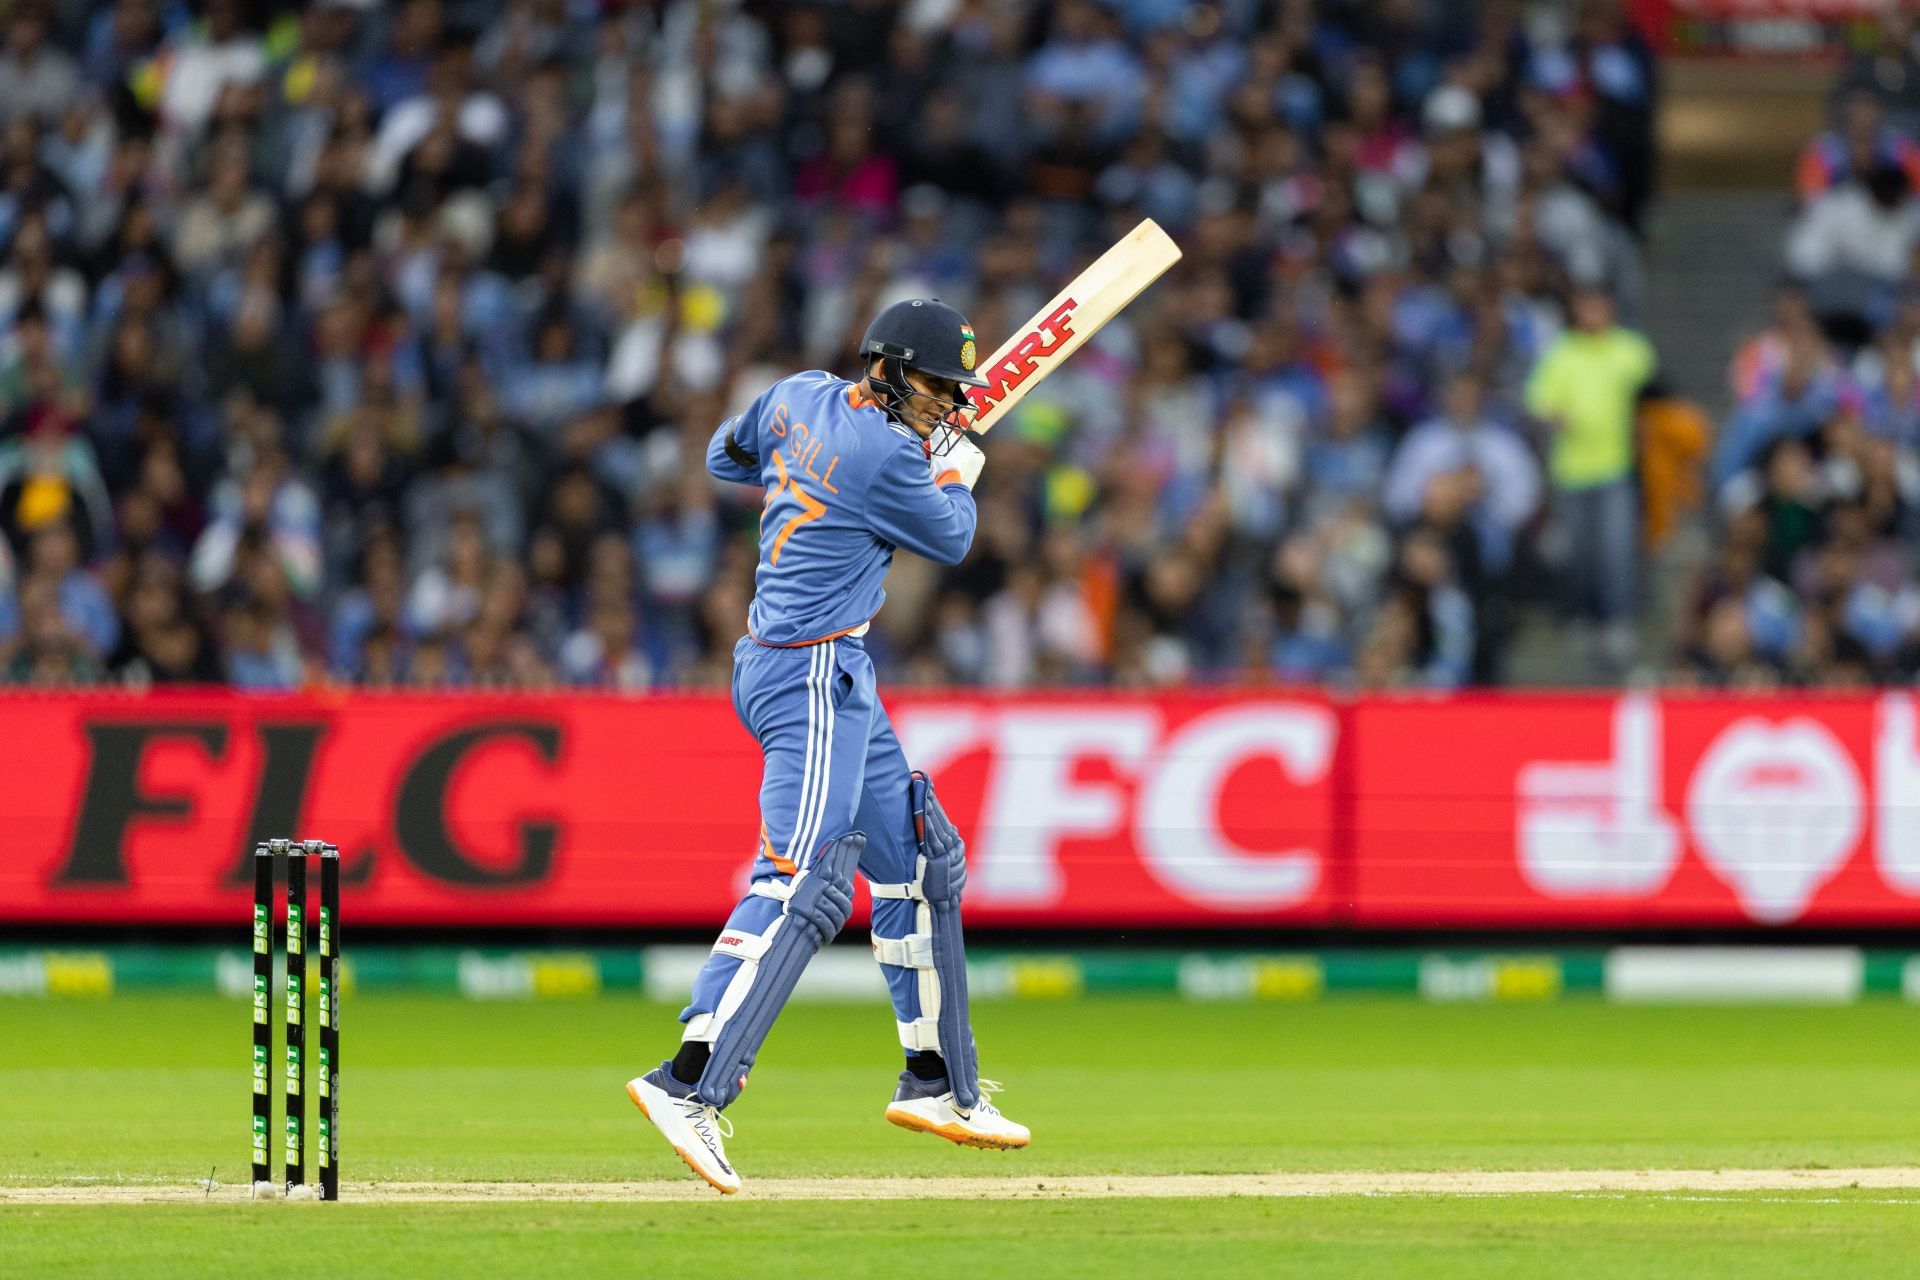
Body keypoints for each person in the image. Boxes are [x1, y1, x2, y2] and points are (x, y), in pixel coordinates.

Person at [626, 298, 1029, 1194]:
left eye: (954, 392)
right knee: (804, 878)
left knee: (920, 858)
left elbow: (723, 454)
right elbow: (954, 538)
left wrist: (814, 483)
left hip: (820, 665)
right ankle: (689, 1082)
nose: (947, 405)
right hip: (809, 678)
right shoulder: (888, 454)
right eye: (933, 387)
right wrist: (957, 471)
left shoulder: (797, 397)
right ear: (884, 368)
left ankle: (938, 1083)